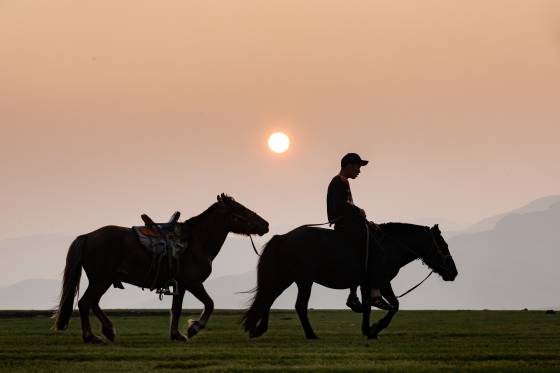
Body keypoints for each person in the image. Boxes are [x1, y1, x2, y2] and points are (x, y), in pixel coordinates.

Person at [326, 153, 393, 311]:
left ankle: (354, 294)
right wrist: (358, 210)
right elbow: (340, 206)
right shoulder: (338, 182)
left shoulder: (343, 182)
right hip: (347, 227)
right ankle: (375, 295)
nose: (359, 171)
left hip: (350, 225)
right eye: (357, 167)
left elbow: (346, 206)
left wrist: (365, 221)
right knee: (377, 252)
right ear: (349, 165)